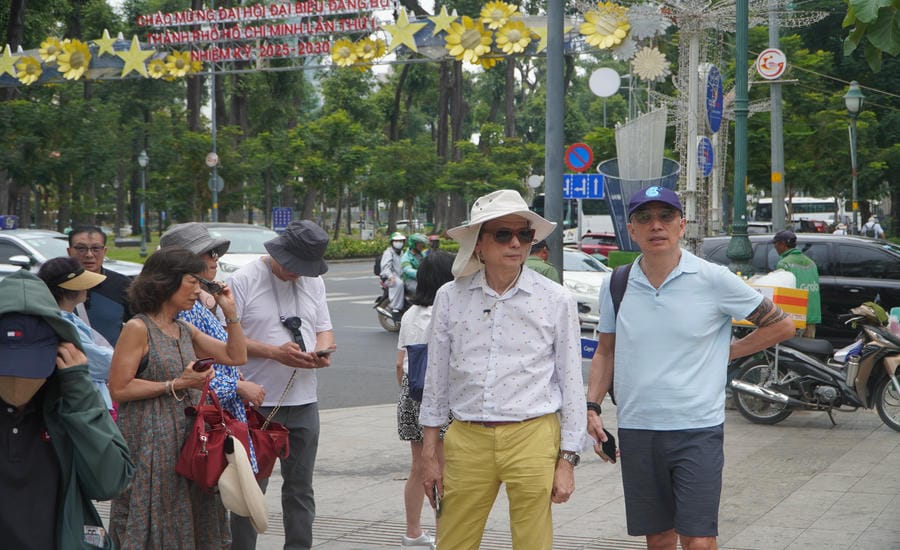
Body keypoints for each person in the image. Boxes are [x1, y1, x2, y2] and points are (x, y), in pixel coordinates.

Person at [586, 186, 795, 550]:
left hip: (696, 428)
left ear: (681, 225)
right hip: (638, 427)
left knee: (698, 540)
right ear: (631, 230)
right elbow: (606, 351)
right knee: (660, 537)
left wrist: (728, 353)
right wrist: (592, 406)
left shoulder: (712, 278)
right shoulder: (616, 283)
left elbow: (781, 324)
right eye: (644, 218)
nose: (656, 226)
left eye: (665, 217)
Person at [418, 189, 586, 550]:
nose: (515, 243)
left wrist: (568, 460)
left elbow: (572, 382)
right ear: (478, 243)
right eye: (502, 234)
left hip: (534, 435)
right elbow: (436, 380)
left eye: (524, 234)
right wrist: (429, 454)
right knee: (454, 541)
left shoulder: (556, 299)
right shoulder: (450, 296)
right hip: (466, 437)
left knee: (533, 543)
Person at [107, 247, 248, 549]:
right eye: (192, 282)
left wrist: (231, 312)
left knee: (194, 514)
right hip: (150, 442)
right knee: (157, 515)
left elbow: (236, 356)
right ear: (165, 281)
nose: (198, 291)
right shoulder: (137, 328)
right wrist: (176, 384)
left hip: (187, 441)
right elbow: (118, 388)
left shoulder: (184, 329)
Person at [0, 270, 134, 550]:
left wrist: (80, 389)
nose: (18, 381)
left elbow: (110, 483)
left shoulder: (71, 403)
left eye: (30, 368)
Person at [228, 219, 336, 550]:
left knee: (300, 488)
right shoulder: (243, 279)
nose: (296, 273)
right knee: (248, 488)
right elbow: (225, 341)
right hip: (256, 403)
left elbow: (324, 328)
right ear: (279, 251)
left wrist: (321, 351)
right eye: (292, 265)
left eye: (304, 268)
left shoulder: (313, 282)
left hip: (303, 400)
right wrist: (274, 353)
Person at [160, 222, 267, 473]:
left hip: (218, 416)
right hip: (200, 423)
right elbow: (183, 371)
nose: (214, 259)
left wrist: (229, 311)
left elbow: (234, 356)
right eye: (206, 254)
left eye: (215, 253)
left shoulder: (197, 305)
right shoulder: (180, 310)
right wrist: (237, 385)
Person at [395, 251, 455, 550]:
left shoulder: (410, 313)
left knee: (418, 466)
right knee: (442, 470)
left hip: (410, 391)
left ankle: (413, 533)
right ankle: (445, 536)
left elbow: (399, 363)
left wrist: (409, 391)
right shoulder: (448, 312)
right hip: (440, 396)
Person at [36, 256, 116, 416]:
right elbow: (104, 363)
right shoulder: (62, 323)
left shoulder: (69, 317)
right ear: (69, 289)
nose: (87, 288)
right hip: (87, 407)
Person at [67, 225, 132, 346]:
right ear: (69, 251)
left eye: (96, 249)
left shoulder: (122, 285)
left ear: (105, 251)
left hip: (110, 361)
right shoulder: (56, 285)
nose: (89, 255)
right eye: (81, 249)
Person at [772, 230, 821, 338]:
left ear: (782, 244)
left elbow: (783, 290)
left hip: (795, 317)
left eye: (775, 244)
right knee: (809, 351)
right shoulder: (811, 263)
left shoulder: (784, 263)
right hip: (812, 315)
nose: (775, 247)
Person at [381, 231, 408, 319]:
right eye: (396, 241)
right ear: (392, 242)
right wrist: (390, 276)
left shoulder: (402, 253)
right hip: (388, 277)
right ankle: (395, 309)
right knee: (399, 283)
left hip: (399, 276)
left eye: (401, 241)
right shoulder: (388, 253)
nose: (399, 243)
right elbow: (385, 268)